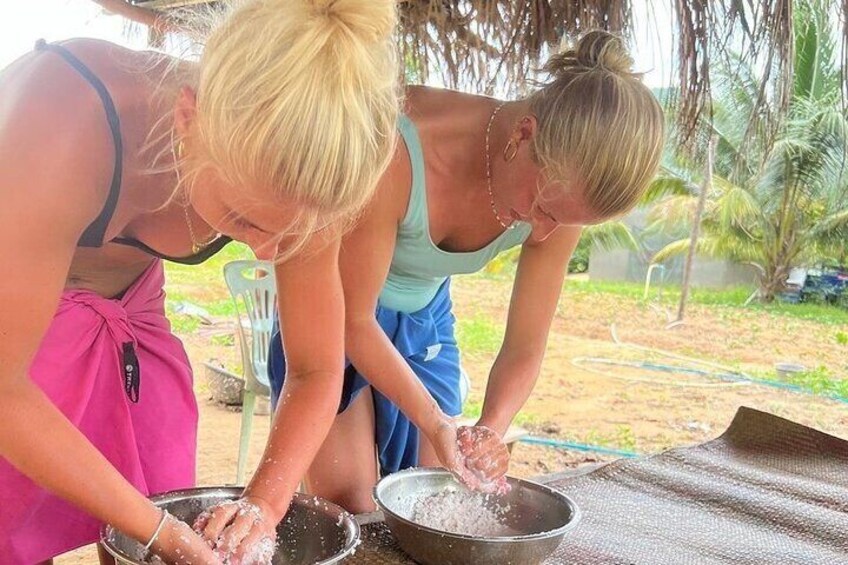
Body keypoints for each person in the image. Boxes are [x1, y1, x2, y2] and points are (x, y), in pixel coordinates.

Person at [0, 0, 399, 563]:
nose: (266, 253)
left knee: (153, 487)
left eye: (289, 237)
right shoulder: (65, 119)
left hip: (130, 310)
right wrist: (163, 534)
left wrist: (263, 504)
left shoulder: (306, 176)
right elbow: (5, 387)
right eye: (243, 221)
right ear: (188, 119)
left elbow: (315, 369)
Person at [269, 30, 666, 512]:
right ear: (523, 135)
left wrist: (489, 433)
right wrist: (436, 420)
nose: (543, 232)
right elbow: (354, 320)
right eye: (540, 208)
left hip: (424, 320)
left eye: (561, 221)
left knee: (436, 503)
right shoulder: (398, 143)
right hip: (336, 308)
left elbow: (525, 346)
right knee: (353, 502)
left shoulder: (564, 195)